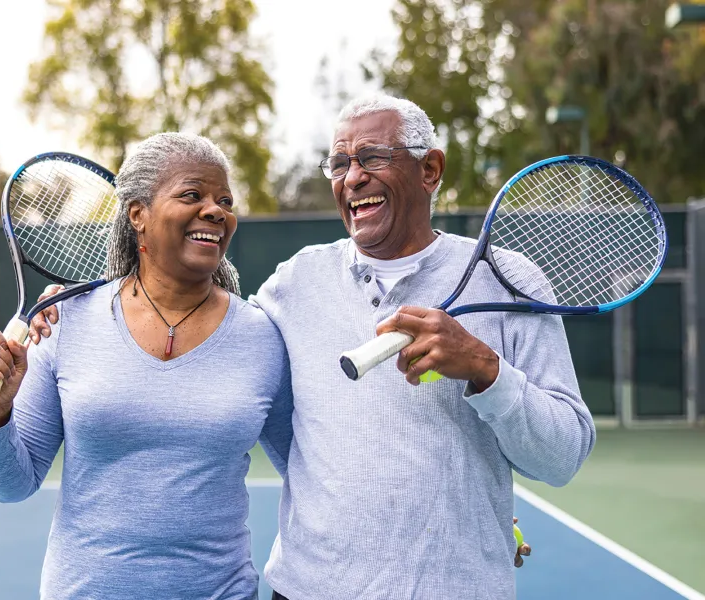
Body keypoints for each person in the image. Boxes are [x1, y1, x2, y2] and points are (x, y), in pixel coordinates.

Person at [32, 95, 581, 599]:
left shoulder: (509, 282)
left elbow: (561, 457)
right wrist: (83, 306)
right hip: (309, 589)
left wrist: (485, 370)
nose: (353, 177)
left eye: (372, 157)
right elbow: (288, 429)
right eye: (339, 164)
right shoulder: (293, 287)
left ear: (429, 170)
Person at [0, 132, 294, 599]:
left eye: (225, 201)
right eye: (192, 194)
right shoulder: (66, 320)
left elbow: (307, 469)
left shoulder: (261, 335)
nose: (216, 211)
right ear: (138, 215)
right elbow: (12, 485)